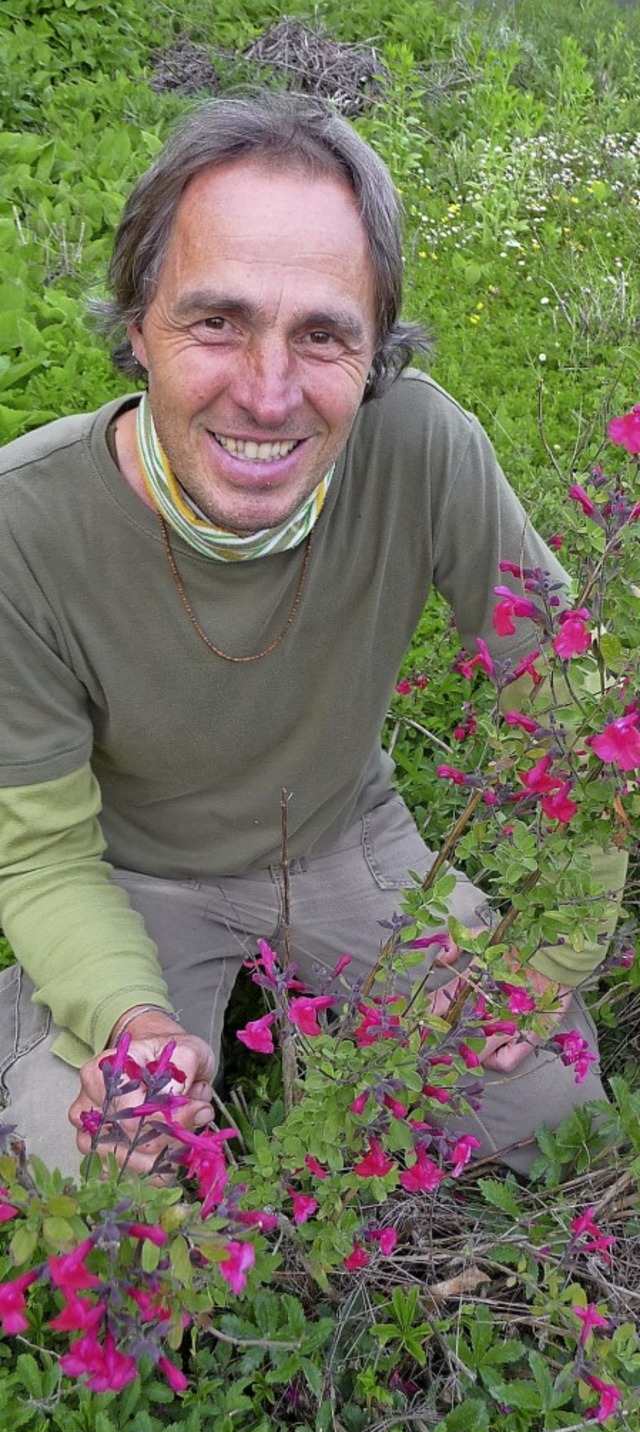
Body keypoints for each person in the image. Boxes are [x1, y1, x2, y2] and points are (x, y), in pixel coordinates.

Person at [0, 93, 627, 1180]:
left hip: (343, 838)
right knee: (114, 1198)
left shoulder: (421, 445)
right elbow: (44, 853)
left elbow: (582, 719)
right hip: (126, 873)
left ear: (377, 350)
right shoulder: (24, 523)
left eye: (323, 333)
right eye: (216, 319)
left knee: (554, 1125)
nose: (267, 389)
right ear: (138, 321)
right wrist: (130, 1023)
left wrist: (535, 964)